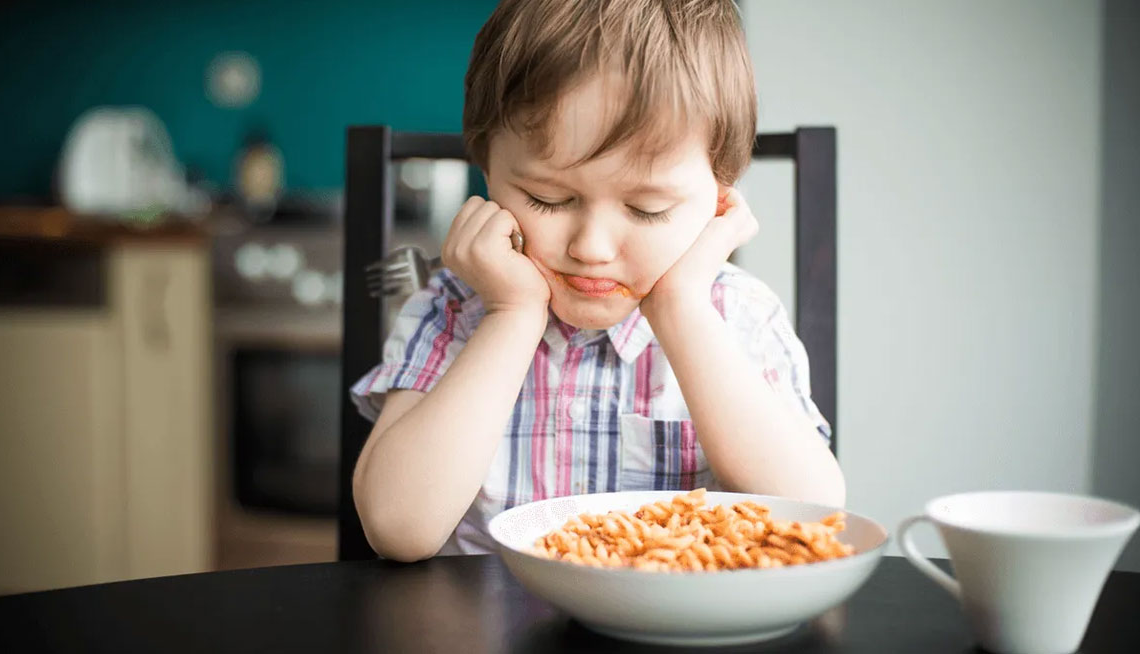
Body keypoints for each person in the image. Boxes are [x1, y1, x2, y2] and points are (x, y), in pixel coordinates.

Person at [351, 0, 845, 562]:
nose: (591, 247)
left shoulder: (740, 317)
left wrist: (682, 309)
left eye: (647, 208)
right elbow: (397, 528)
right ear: (486, 172)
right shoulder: (450, 309)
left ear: (722, 197)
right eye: (548, 198)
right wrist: (511, 317)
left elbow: (817, 515)